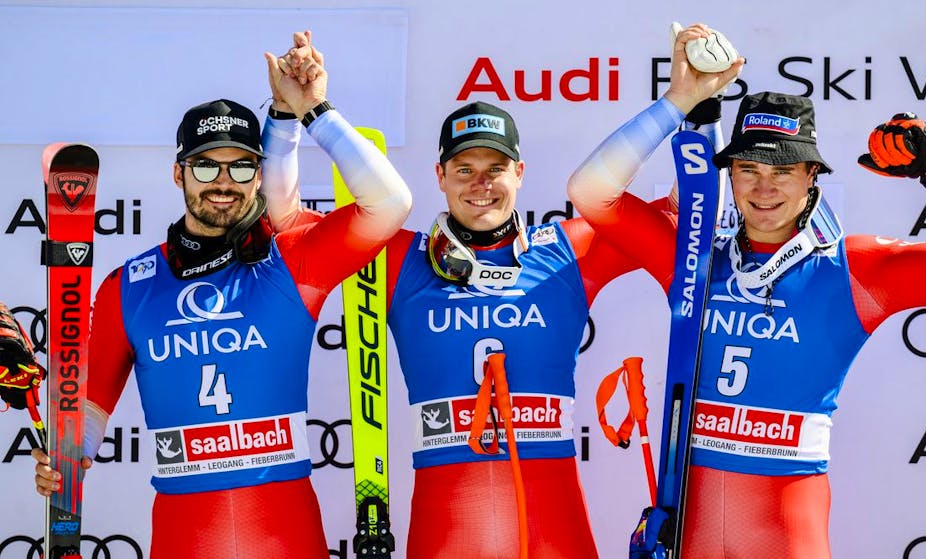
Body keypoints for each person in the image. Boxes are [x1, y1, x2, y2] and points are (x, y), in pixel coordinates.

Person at [264, 31, 731, 559]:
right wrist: (291, 115)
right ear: (440, 177)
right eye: (464, 169)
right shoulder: (399, 261)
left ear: (521, 174)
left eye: (495, 169)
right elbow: (286, 222)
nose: (479, 183)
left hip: (558, 534)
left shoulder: (569, 251)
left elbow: (695, 219)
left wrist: (690, 106)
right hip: (446, 536)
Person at [567, 23, 926, 559]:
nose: (763, 186)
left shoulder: (852, 268)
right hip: (687, 526)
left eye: (783, 170)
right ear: (730, 174)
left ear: (812, 174)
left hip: (786, 531)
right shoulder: (695, 254)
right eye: (747, 169)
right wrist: (679, 101)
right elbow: (590, 192)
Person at [30, 33, 412, 558]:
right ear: (178, 173)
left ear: (258, 177)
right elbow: (90, 409)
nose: (223, 182)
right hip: (183, 539)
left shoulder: (293, 262)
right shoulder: (130, 286)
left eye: (240, 167)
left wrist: (312, 111)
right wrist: (66, 456)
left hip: (288, 538)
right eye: (207, 166)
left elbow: (390, 202)